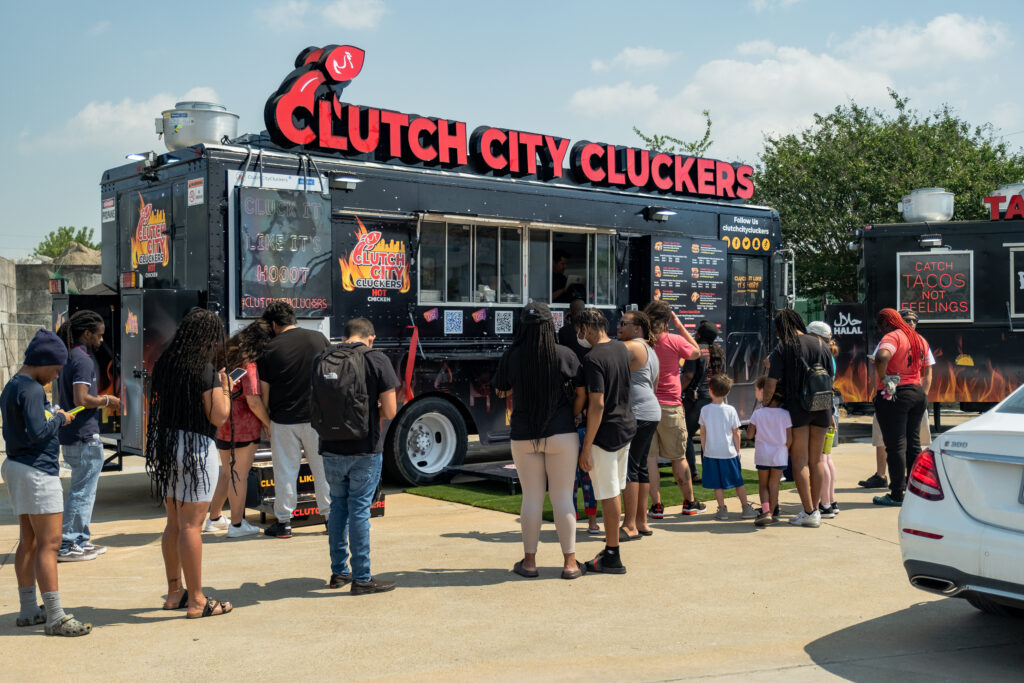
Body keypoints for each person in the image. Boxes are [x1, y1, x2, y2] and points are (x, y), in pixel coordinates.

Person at [1, 330, 91, 636]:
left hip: (16, 466)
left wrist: (50, 415)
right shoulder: (32, 391)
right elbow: (40, 432)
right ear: (42, 362)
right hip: (38, 471)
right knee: (50, 544)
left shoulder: (14, 384)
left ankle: (28, 609)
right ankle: (55, 616)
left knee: (29, 541)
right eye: (54, 370)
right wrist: (60, 419)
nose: (54, 377)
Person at [146, 308, 234, 618]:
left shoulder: (165, 363)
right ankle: (197, 599)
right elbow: (219, 416)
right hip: (196, 448)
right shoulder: (204, 369)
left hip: (168, 446)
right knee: (192, 526)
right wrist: (225, 388)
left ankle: (175, 592)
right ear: (208, 339)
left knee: (173, 523)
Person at [495, 302, 587, 579]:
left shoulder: (512, 355)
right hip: (561, 432)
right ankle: (570, 563)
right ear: (552, 325)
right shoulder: (565, 354)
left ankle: (529, 562)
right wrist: (570, 415)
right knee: (562, 498)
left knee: (531, 498)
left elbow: (501, 392)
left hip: (524, 433)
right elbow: (582, 394)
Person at [318, 318, 401, 594]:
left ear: (344, 337)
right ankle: (362, 578)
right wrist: (369, 412)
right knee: (360, 510)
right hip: (364, 449)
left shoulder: (324, 357)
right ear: (371, 337)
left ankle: (339, 572)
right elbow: (390, 412)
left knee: (338, 506)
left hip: (329, 446)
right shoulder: (377, 360)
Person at [258, 301, 331, 538]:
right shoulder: (318, 339)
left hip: (283, 420)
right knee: (322, 469)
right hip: (317, 417)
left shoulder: (269, 349)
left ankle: (284, 523)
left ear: (274, 324)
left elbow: (265, 391)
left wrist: (267, 420)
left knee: (285, 471)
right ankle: (331, 519)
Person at [55, 310, 121, 562]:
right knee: (82, 492)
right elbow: (81, 399)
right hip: (83, 436)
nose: (102, 340)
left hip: (75, 434)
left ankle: (79, 540)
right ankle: (69, 543)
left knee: (84, 491)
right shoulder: (82, 359)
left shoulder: (70, 356)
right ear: (86, 334)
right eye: (99, 335)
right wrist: (107, 400)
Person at [576, 308, 636, 574]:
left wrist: (586, 446)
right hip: (625, 427)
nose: (580, 336)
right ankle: (611, 549)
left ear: (587, 328)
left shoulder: (592, 358)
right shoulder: (621, 349)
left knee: (608, 493)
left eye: (580, 330)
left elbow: (597, 404)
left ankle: (612, 553)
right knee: (616, 489)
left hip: (606, 433)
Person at [762, 309, 833, 528]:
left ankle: (809, 511)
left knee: (800, 461)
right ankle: (818, 509)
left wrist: (766, 404)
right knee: (817, 460)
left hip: (799, 406)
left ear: (780, 328)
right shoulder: (822, 344)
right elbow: (830, 376)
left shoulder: (785, 347)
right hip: (823, 405)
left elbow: (771, 382)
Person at [206, 320, 273, 538]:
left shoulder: (224, 355)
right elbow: (253, 400)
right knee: (239, 475)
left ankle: (214, 518)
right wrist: (267, 423)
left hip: (223, 421)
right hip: (243, 427)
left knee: (227, 472)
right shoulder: (250, 365)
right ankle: (237, 524)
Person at [859, 309, 934, 489]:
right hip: (917, 392)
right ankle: (916, 487)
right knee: (914, 444)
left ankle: (897, 492)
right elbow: (926, 369)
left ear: (886, 323)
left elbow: (882, 356)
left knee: (895, 445)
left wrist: (884, 377)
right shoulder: (919, 339)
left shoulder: (893, 337)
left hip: (896, 394)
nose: (879, 328)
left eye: (880, 324)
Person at [642, 301, 704, 518]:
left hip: (646, 406)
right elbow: (696, 352)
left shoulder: (642, 342)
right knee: (679, 457)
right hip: (670, 405)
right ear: (667, 320)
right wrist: (679, 325)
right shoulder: (674, 340)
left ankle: (656, 506)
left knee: (650, 460)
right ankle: (689, 502)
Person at [616, 309, 660, 540]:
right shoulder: (651, 350)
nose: (619, 326)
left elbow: (607, 352)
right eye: (619, 322)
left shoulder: (632, 346)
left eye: (624, 323)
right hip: (650, 411)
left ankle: (630, 524)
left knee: (630, 468)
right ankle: (642, 522)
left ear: (638, 328)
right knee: (640, 466)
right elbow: (654, 383)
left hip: (639, 413)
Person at [700, 374, 755, 520]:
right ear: (728, 392)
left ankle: (722, 510)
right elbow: (736, 432)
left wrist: (705, 450)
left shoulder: (705, 410)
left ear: (710, 390)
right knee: (738, 481)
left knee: (717, 484)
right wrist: (738, 450)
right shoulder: (731, 410)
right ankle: (745, 508)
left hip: (711, 453)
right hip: (729, 453)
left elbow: (703, 432)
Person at [680, 320, 723, 482]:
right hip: (715, 399)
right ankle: (710, 473)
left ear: (698, 334)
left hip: (697, 400)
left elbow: (688, 375)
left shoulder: (695, 350)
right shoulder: (718, 351)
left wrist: (678, 391)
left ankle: (693, 473)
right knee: (710, 437)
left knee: (686, 435)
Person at [806, 321, 840, 518]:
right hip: (829, 407)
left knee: (820, 459)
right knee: (826, 458)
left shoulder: (820, 355)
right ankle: (831, 500)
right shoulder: (828, 355)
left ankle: (825, 503)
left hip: (821, 408)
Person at [747, 376, 791, 526]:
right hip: (779, 455)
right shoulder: (785, 414)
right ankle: (771, 514)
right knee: (774, 485)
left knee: (763, 485)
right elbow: (789, 439)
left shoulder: (758, 413)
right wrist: (787, 450)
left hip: (762, 454)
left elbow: (750, 434)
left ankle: (765, 511)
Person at [557, 297, 589, 363]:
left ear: (570, 312)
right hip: (588, 366)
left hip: (571, 366)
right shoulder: (591, 329)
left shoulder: (563, 331)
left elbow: (563, 352)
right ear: (585, 310)